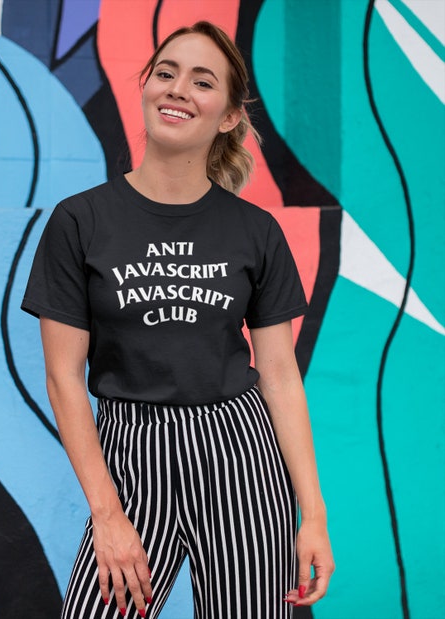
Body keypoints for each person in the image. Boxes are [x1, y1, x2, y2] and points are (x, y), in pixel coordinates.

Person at [21, 20, 335, 619]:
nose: (178, 89)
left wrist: (312, 514)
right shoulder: (80, 221)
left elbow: (280, 376)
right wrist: (106, 514)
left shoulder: (254, 231)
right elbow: (63, 379)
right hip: (132, 456)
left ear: (226, 118)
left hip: (241, 455)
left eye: (202, 81)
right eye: (165, 73)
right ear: (144, 89)